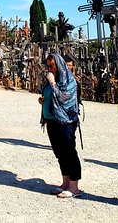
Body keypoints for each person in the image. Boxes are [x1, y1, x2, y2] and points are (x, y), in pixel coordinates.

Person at [38, 53, 81, 198]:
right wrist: (44, 100)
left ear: (59, 65)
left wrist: (52, 84)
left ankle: (74, 187)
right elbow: (52, 96)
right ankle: (65, 182)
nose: (50, 69)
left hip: (65, 121)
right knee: (60, 153)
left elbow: (64, 98)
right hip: (52, 120)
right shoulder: (54, 79)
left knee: (69, 152)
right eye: (48, 66)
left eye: (52, 66)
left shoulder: (69, 80)